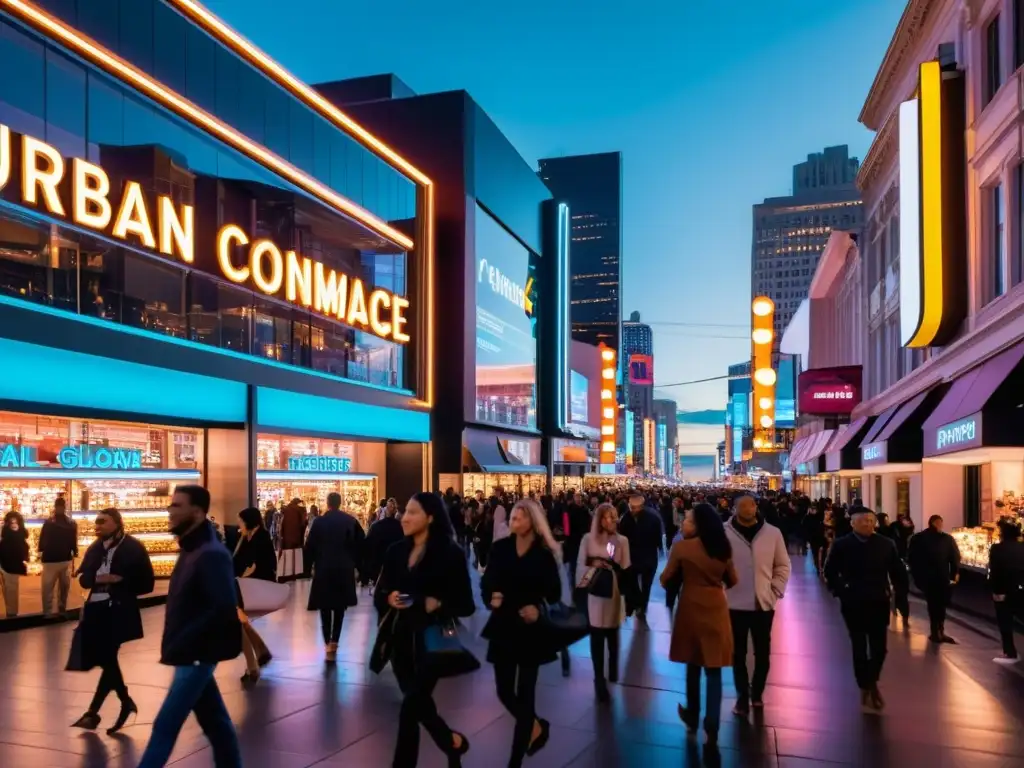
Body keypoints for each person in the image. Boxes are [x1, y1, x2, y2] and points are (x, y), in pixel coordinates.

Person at [137, 485, 242, 768]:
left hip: (195, 654)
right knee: (217, 725)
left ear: (196, 512)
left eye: (177, 505)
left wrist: (186, 639)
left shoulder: (210, 554)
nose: (170, 511)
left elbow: (221, 607)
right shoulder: (193, 549)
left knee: (165, 725)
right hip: (190, 651)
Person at [373, 492, 475, 768]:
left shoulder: (450, 554)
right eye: (405, 511)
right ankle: (451, 742)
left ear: (430, 517)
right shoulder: (396, 551)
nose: (404, 517)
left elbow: (466, 604)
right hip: (400, 640)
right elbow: (379, 592)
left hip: (432, 642)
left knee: (409, 709)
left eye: (412, 512)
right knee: (417, 704)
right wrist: (388, 597)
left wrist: (438, 603)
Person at [481, 499, 562, 766]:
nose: (514, 521)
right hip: (503, 623)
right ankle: (536, 725)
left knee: (526, 693)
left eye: (520, 517)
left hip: (531, 629)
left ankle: (514, 761)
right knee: (504, 691)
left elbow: (554, 593)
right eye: (513, 517)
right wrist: (490, 597)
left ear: (533, 522)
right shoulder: (500, 548)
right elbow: (488, 581)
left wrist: (539, 610)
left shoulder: (543, 554)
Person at [70, 508, 155, 734]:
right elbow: (84, 580)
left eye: (102, 522)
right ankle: (123, 702)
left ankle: (94, 711)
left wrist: (121, 583)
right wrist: (101, 578)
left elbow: (148, 584)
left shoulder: (133, 548)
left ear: (117, 523)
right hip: (95, 609)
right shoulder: (95, 548)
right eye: (96, 522)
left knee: (107, 657)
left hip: (118, 610)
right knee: (107, 659)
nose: (97, 526)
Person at [660, 503, 737, 747]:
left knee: (693, 664)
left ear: (698, 524)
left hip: (690, 608)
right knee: (714, 670)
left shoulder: (682, 547)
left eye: (688, 520)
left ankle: (692, 714)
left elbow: (665, 579)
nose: (683, 522)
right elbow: (732, 580)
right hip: (716, 609)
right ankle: (712, 725)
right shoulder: (723, 548)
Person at [824, 507, 908, 712]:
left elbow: (897, 570)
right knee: (859, 646)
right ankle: (866, 685)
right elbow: (830, 571)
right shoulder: (842, 545)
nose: (868, 524)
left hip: (879, 600)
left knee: (880, 648)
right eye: (863, 521)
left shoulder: (886, 544)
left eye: (871, 521)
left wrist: (899, 595)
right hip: (853, 602)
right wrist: (840, 590)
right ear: (853, 523)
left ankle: (871, 681)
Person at [724, 494, 790, 715]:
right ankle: (742, 695)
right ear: (734, 509)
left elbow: (782, 565)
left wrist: (774, 591)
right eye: (742, 506)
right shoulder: (724, 533)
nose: (747, 510)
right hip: (734, 604)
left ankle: (757, 693)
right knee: (737, 654)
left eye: (750, 505)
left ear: (756, 507)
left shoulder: (772, 533)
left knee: (763, 652)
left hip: (763, 604)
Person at [577, 502, 631, 703]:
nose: (613, 520)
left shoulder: (622, 541)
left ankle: (613, 668)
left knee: (613, 633)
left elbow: (626, 568)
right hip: (595, 592)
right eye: (608, 516)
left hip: (614, 592)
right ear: (599, 519)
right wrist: (594, 565)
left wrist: (613, 565)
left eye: (615, 516)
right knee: (597, 635)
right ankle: (599, 678)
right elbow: (580, 566)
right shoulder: (588, 539)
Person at [304, 492, 365, 663]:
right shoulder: (350, 521)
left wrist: (308, 568)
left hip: (324, 568)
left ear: (327, 503)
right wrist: (358, 567)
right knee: (340, 607)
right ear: (340, 503)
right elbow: (360, 545)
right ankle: (335, 641)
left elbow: (309, 547)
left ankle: (326, 642)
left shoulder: (319, 522)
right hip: (344, 569)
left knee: (325, 606)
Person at [233, 507, 276, 684]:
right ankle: (259, 654)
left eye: (241, 521)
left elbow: (262, 564)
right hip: (246, 587)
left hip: (254, 586)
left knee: (240, 622)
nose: (239, 524)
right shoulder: (247, 536)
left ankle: (254, 664)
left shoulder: (261, 538)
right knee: (241, 622)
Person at [909, 514, 961, 644]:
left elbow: (912, 559)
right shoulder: (946, 539)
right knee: (938, 605)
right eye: (939, 523)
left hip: (929, 578)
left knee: (934, 604)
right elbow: (955, 557)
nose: (940, 526)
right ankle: (938, 631)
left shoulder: (918, 538)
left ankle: (936, 631)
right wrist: (954, 574)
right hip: (940, 577)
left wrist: (917, 577)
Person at [618, 493, 664, 621]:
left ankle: (642, 605)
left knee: (646, 584)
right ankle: (636, 603)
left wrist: (659, 548)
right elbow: (622, 537)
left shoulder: (652, 518)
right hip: (632, 556)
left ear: (642, 506)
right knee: (631, 581)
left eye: (636, 507)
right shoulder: (625, 518)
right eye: (632, 507)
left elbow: (657, 537)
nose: (633, 510)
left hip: (648, 556)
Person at [989, 518, 1024, 663]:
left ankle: (1010, 652)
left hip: (1005, 591)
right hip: (1021, 589)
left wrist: (996, 591)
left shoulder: (997, 549)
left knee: (1005, 622)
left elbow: (995, 572)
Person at [38, 497, 78, 617]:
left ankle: (48, 612)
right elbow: (73, 541)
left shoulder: (49, 522)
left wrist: (41, 552)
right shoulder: (71, 523)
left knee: (48, 588)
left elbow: (42, 539)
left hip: (50, 560)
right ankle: (61, 608)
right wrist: (74, 554)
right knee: (64, 587)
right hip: (64, 559)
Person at [364, 497, 405, 585]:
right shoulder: (401, 527)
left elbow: (368, 545)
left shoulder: (376, 526)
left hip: (378, 565)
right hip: (395, 566)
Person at [0, 511, 29, 617]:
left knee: (11, 591)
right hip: (6, 566)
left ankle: (12, 613)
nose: (14, 525)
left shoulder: (13, 535)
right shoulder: (15, 535)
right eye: (11, 522)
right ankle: (11, 612)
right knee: (8, 591)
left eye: (15, 522)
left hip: (10, 566)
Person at [278, 498, 307, 580]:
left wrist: (282, 536)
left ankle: (286, 574)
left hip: (287, 539)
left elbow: (282, 525)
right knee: (296, 557)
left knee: (287, 556)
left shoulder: (286, 510)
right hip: (297, 538)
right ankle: (295, 574)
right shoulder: (301, 511)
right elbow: (303, 524)